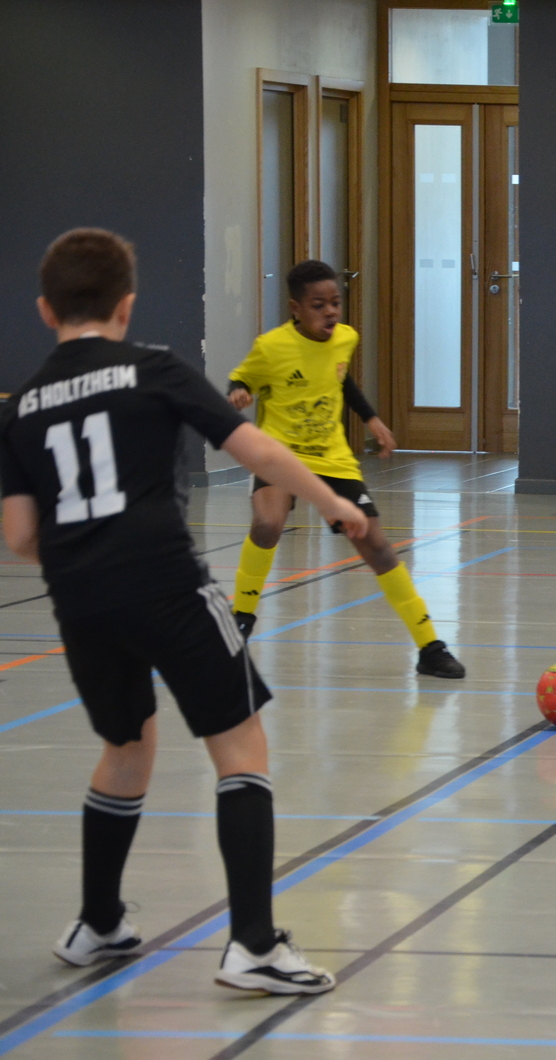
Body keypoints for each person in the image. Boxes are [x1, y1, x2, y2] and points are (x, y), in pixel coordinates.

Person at [0, 228, 361, 992]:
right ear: (126, 306)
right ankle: (253, 945)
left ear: (45, 310)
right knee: (240, 743)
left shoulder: (22, 404)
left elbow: (21, 535)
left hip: (81, 600)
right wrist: (335, 504)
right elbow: (256, 451)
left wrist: (86, 556)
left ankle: (99, 922)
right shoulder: (153, 369)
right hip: (165, 583)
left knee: (127, 745)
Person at [226, 260, 465, 678]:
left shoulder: (345, 339)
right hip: (281, 454)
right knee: (267, 524)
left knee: (377, 545)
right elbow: (242, 378)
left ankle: (429, 645)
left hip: (332, 458)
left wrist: (372, 419)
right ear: (296, 308)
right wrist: (239, 392)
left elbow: (341, 380)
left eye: (335, 303)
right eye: (318, 305)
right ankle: (238, 623)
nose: (331, 312)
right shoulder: (271, 347)